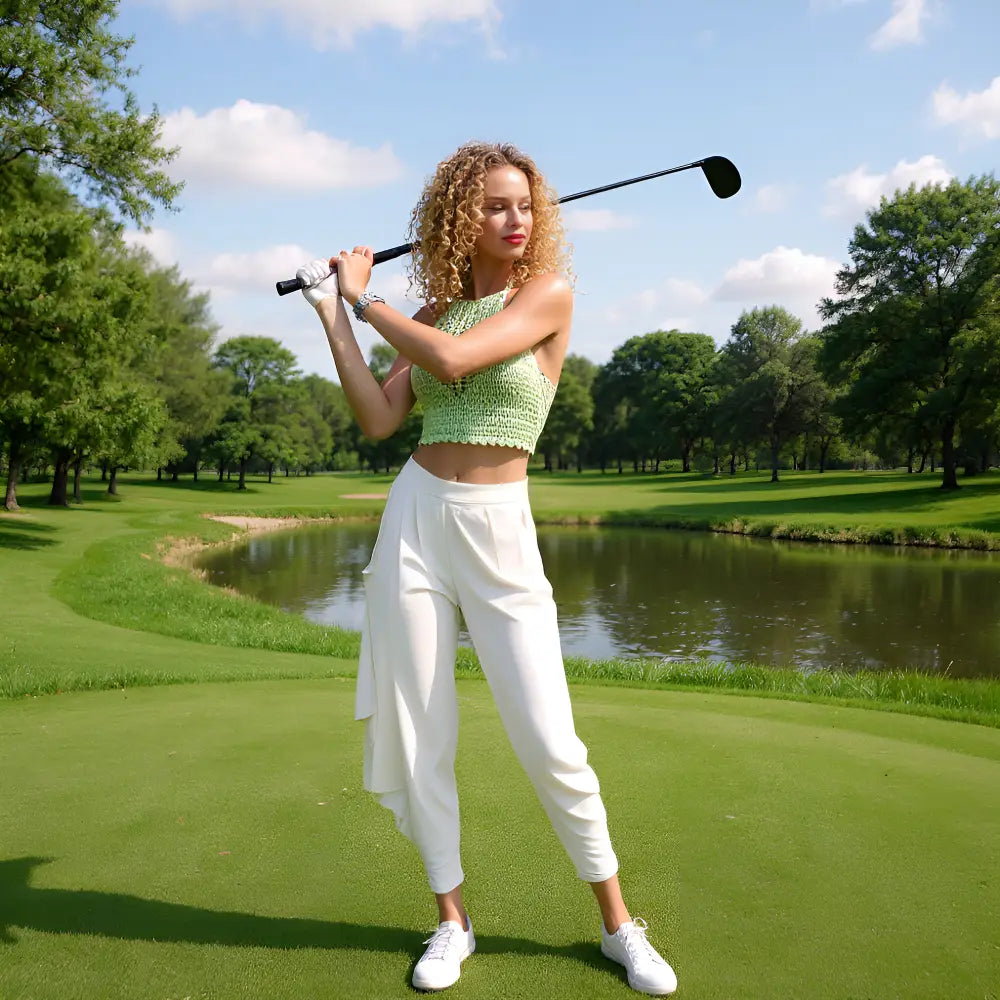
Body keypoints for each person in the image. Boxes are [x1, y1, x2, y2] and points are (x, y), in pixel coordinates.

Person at [296, 141, 677, 996]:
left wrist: (367, 300)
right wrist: (333, 316)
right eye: (496, 205)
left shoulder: (545, 295)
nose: (516, 220)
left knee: (551, 741)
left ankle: (619, 926)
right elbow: (379, 419)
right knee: (420, 730)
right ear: (459, 216)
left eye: (525, 205)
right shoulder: (434, 309)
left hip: (501, 530)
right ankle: (451, 920)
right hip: (415, 520)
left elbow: (457, 361)